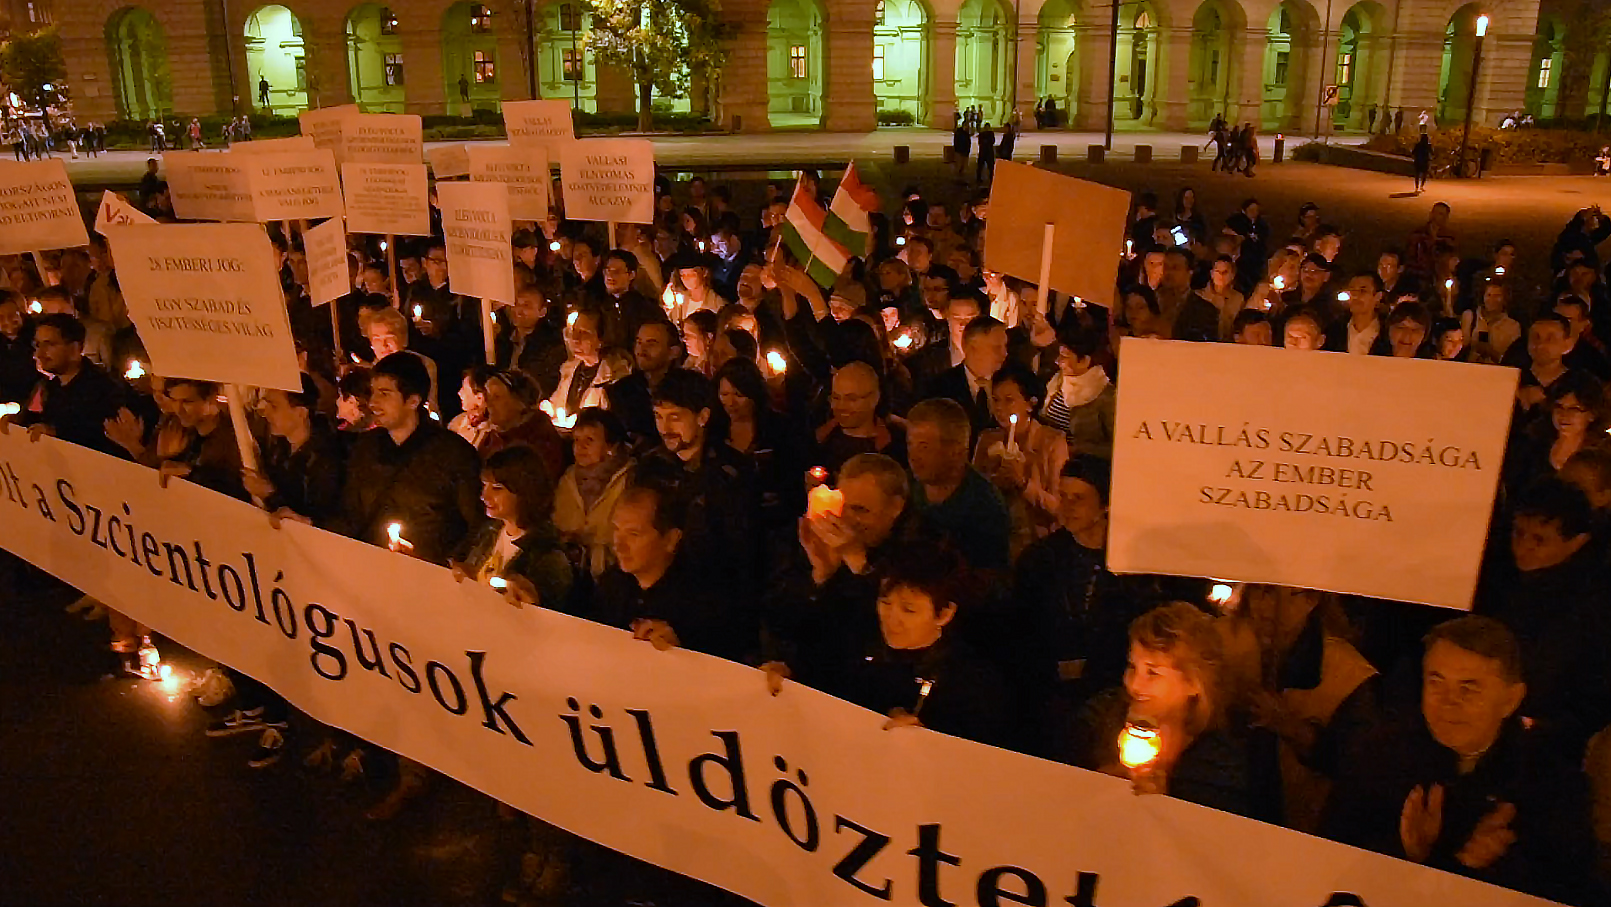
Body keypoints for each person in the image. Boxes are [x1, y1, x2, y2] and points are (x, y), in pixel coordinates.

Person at [1322, 616, 1595, 905]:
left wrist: (1498, 867)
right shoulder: (1378, 755)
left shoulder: (1551, 784)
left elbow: (1573, 889)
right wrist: (1404, 854)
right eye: (1436, 682)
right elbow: (1328, 856)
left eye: (1469, 688)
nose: (1448, 701)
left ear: (1510, 700)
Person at [766, 541, 1013, 747]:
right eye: (885, 602)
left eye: (909, 610)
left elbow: (977, 759)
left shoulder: (969, 680)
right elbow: (817, 676)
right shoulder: (856, 641)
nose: (891, 619)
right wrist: (786, 677)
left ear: (944, 614)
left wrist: (930, 738)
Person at [1066, 602, 1263, 819]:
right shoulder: (1098, 720)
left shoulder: (1218, 767)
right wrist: (1093, 783)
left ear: (1194, 682)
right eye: (1132, 666)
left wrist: (1164, 806)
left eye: (1153, 673)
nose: (1134, 684)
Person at [332, 352, 484, 566]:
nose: (373, 402)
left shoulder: (454, 454)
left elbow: (477, 526)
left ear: (413, 400)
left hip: (430, 574)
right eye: (372, 392)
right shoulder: (365, 447)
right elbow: (350, 514)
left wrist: (451, 563)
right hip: (371, 568)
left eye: (384, 394)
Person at [592, 485, 744, 659]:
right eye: (616, 530)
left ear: (670, 540)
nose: (618, 546)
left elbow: (728, 659)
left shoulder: (705, 601)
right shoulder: (611, 584)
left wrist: (681, 648)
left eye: (634, 534)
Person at [452, 444, 575, 613]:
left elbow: (548, 613)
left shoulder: (548, 556)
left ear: (524, 492)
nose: (483, 496)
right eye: (484, 486)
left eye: (497, 489)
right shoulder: (488, 532)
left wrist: (530, 602)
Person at [906, 398, 1011, 573]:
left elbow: (989, 577)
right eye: (910, 445)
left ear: (956, 451)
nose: (913, 456)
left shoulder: (985, 506)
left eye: (924, 447)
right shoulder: (904, 486)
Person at [554, 407, 634, 581]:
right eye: (576, 440)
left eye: (589, 440)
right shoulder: (567, 480)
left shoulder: (628, 481)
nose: (580, 447)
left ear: (611, 447)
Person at [922, 313, 1009, 443]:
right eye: (997, 348)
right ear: (971, 348)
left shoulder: (1011, 381)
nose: (1005, 353)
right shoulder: (940, 388)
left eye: (1005, 346)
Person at [606, 319, 687, 449]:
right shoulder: (621, 391)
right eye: (639, 342)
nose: (641, 350)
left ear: (674, 352)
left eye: (651, 344)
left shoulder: (687, 389)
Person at [478, 368, 565, 479]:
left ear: (520, 402)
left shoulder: (541, 439)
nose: (489, 403)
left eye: (496, 397)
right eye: (488, 397)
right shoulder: (490, 439)